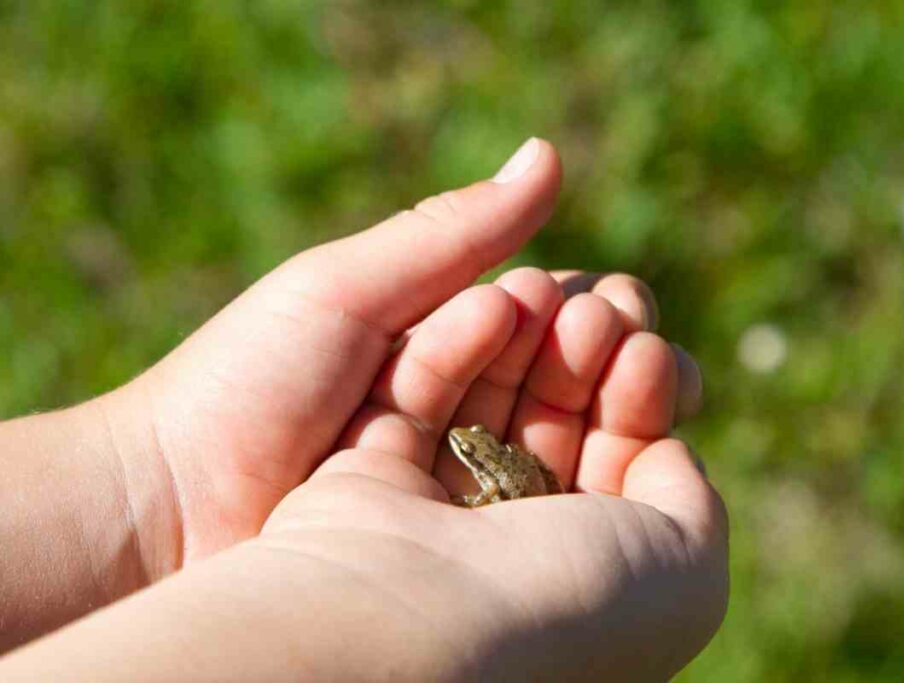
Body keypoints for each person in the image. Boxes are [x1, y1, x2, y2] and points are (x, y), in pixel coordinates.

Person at [0, 139, 728, 680]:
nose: (465, 443)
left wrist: (155, 470)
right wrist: (377, 608)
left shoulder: (483, 461)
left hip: (518, 488)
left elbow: (500, 483)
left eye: (469, 445)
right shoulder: (476, 460)